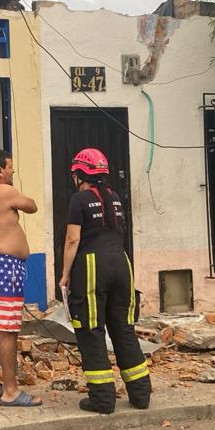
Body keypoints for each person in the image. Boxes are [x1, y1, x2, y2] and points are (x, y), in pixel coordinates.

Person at [58, 148, 150, 414]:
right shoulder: (114, 197)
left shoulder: (80, 199)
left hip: (92, 267)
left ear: (79, 173)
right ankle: (141, 394)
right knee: (123, 329)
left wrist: (65, 274)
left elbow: (73, 239)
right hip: (122, 265)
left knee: (90, 330)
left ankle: (102, 398)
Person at [0, 149, 42, 407]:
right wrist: (18, 195)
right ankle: (11, 390)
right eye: (10, 167)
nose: (13, 171)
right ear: (0, 171)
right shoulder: (4, 191)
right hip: (6, 265)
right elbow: (32, 206)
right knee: (8, 330)